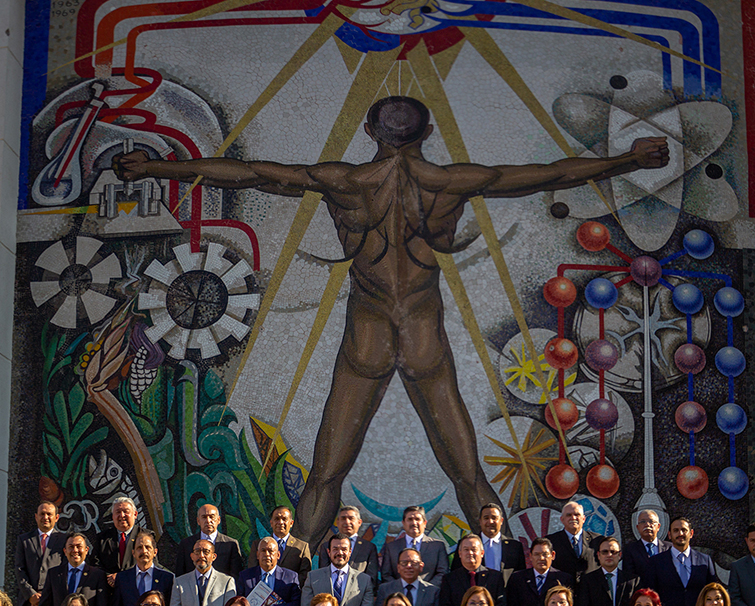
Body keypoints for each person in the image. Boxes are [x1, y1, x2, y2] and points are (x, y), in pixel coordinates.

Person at [116, 99, 668, 546]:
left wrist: (155, 167)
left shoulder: (344, 179)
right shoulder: (450, 180)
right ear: (428, 130)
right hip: (423, 334)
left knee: (326, 474)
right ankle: (500, 579)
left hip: (369, 333)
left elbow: (250, 173)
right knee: (468, 472)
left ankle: (292, 580)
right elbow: (550, 174)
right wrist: (630, 160)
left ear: (366, 128)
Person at [645, 516, 719, 606]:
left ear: (691, 533)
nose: (680, 534)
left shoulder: (705, 561)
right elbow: (650, 595)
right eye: (676, 530)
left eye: (684, 530)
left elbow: (714, 591)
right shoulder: (656, 562)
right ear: (669, 535)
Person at [301, 533, 375, 606]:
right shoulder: (313, 577)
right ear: (328, 552)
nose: (340, 553)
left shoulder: (364, 580)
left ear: (350, 552)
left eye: (344, 549)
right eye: (335, 549)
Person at [36, 532, 109, 606]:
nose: (75, 550)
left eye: (79, 547)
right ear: (65, 551)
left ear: (86, 550)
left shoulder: (97, 576)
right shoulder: (54, 574)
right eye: (71, 547)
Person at [14, 501, 66, 606]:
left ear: (56, 517)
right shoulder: (24, 540)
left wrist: (47, 596)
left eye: (49, 514)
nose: (45, 517)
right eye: (42, 514)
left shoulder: (64, 540)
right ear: (36, 517)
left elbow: (64, 570)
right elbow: (19, 569)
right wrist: (30, 595)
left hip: (54, 605)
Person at [439, 534, 506, 606]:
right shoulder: (449, 579)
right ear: (460, 553)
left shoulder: (495, 577)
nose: (470, 553)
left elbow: (502, 605)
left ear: (482, 553)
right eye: (466, 549)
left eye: (474, 549)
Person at [111, 531, 174, 606]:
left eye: (148, 547)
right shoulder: (122, 578)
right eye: (139, 548)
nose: (144, 551)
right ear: (133, 553)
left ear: (155, 552)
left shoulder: (167, 579)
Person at [452, 504, 525, 585]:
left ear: (501, 521)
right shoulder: (464, 544)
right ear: (480, 521)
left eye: (494, 518)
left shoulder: (515, 546)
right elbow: (456, 574)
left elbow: (521, 576)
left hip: (506, 595)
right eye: (486, 518)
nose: (490, 522)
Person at [380, 506, 450, 586]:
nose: (414, 523)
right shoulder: (392, 547)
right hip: (400, 595)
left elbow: (443, 573)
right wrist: (401, 589)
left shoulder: (437, 546)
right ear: (403, 523)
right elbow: (386, 574)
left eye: (417, 519)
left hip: (429, 595)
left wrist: (427, 590)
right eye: (410, 519)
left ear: (424, 523)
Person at [173, 504, 245, 580]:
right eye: (204, 517)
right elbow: (180, 574)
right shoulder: (186, 544)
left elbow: (236, 575)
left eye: (212, 516)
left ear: (218, 520)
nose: (208, 521)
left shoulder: (230, 544)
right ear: (198, 521)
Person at [246, 506, 312, 586]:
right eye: (277, 519)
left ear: (291, 523)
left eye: (284, 519)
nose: (280, 522)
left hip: (290, 594)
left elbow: (305, 575)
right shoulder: (258, 545)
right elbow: (252, 572)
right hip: (263, 592)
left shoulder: (302, 547)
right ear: (271, 523)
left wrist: (289, 588)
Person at [95, 496, 149, 586]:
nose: (122, 515)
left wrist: (122, 577)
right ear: (113, 516)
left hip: (136, 586)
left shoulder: (146, 536)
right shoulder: (102, 538)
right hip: (109, 589)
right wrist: (109, 577)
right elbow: (95, 563)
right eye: (118, 512)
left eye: (126, 511)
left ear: (135, 514)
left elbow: (150, 564)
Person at [316, 505, 380, 579]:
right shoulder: (326, 546)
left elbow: (371, 578)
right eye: (343, 519)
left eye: (351, 518)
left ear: (359, 522)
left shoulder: (369, 547)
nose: (347, 522)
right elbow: (324, 575)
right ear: (338, 522)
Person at [547, 501, 599, 584]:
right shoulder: (550, 541)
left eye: (577, 514)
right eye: (568, 515)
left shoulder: (598, 540)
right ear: (562, 519)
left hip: (590, 592)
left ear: (583, 519)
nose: (573, 518)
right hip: (562, 591)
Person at [621, 509, 671, 582]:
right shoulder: (630, 550)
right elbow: (629, 577)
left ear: (658, 526)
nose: (647, 525)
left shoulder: (669, 548)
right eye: (643, 522)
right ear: (637, 527)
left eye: (651, 521)